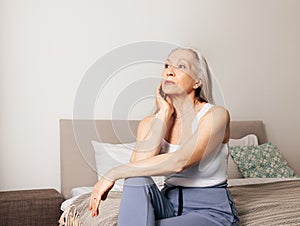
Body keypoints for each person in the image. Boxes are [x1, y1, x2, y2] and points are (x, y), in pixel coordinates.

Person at [88, 47, 240, 226]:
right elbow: (136, 168)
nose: (170, 70)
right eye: (167, 65)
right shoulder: (150, 123)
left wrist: (112, 173)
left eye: (181, 66)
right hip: (167, 205)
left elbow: (179, 162)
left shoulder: (216, 116)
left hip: (209, 212)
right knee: (136, 178)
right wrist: (163, 114)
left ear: (197, 81)